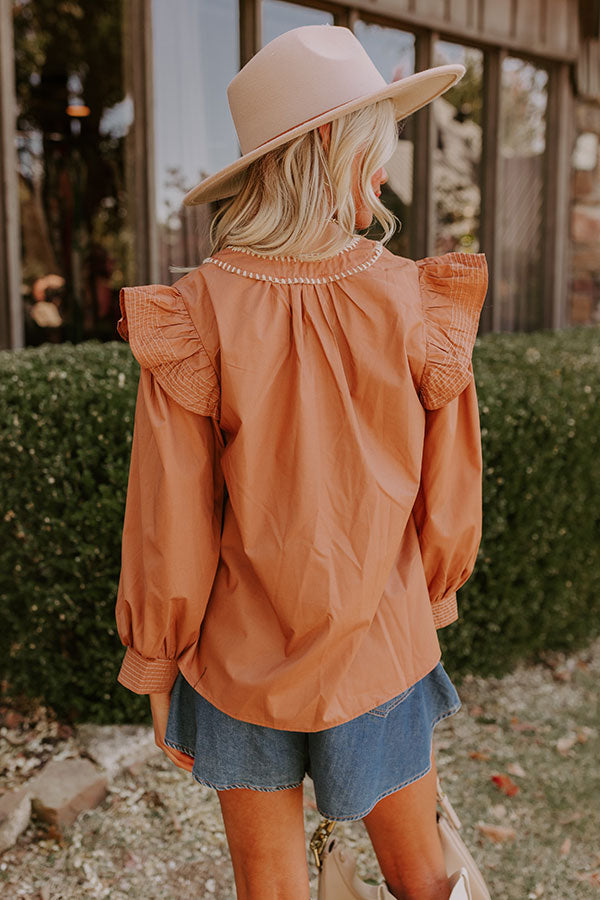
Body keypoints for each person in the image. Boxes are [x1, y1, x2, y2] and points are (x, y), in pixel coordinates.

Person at [114, 24, 488, 900]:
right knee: (426, 879)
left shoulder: (193, 314)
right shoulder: (417, 301)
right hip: (384, 648)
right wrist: (429, 595)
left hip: (238, 666)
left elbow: (170, 518)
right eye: (375, 150)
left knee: (270, 891)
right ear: (328, 147)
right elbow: (451, 494)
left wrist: (158, 662)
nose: (386, 174)